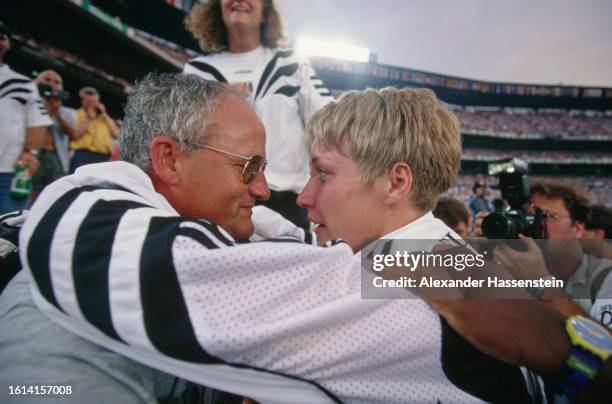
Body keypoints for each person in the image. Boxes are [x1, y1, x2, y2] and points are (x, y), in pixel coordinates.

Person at [17, 75, 610, 402]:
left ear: (394, 181)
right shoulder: (443, 267)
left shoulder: (381, 286)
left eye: (322, 173)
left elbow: (93, 247)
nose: (296, 197)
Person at [183, 0, 333, 230]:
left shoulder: (292, 63)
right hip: (221, 200)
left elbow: (328, 121)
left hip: (287, 203)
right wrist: (220, 103)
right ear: (217, 8)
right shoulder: (197, 71)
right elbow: (186, 139)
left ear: (266, 12)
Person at [0, 20, 51, 214]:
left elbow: (37, 121)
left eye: (3, 35)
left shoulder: (22, 83)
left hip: (9, 171)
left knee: (6, 233)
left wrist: (31, 152)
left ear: (7, 44)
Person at [32, 70, 76, 199]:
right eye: (47, 80)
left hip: (56, 156)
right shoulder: (30, 104)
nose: (52, 84)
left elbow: (73, 134)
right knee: (28, 191)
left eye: (56, 82)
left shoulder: (67, 112)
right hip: (34, 153)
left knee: (52, 196)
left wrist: (56, 113)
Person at [70, 86, 120, 171]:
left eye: (93, 102)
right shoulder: (77, 114)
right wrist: (90, 118)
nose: (91, 104)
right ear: (82, 102)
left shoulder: (104, 118)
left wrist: (104, 114)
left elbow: (116, 134)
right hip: (83, 154)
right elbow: (75, 134)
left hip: (103, 156)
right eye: (88, 101)